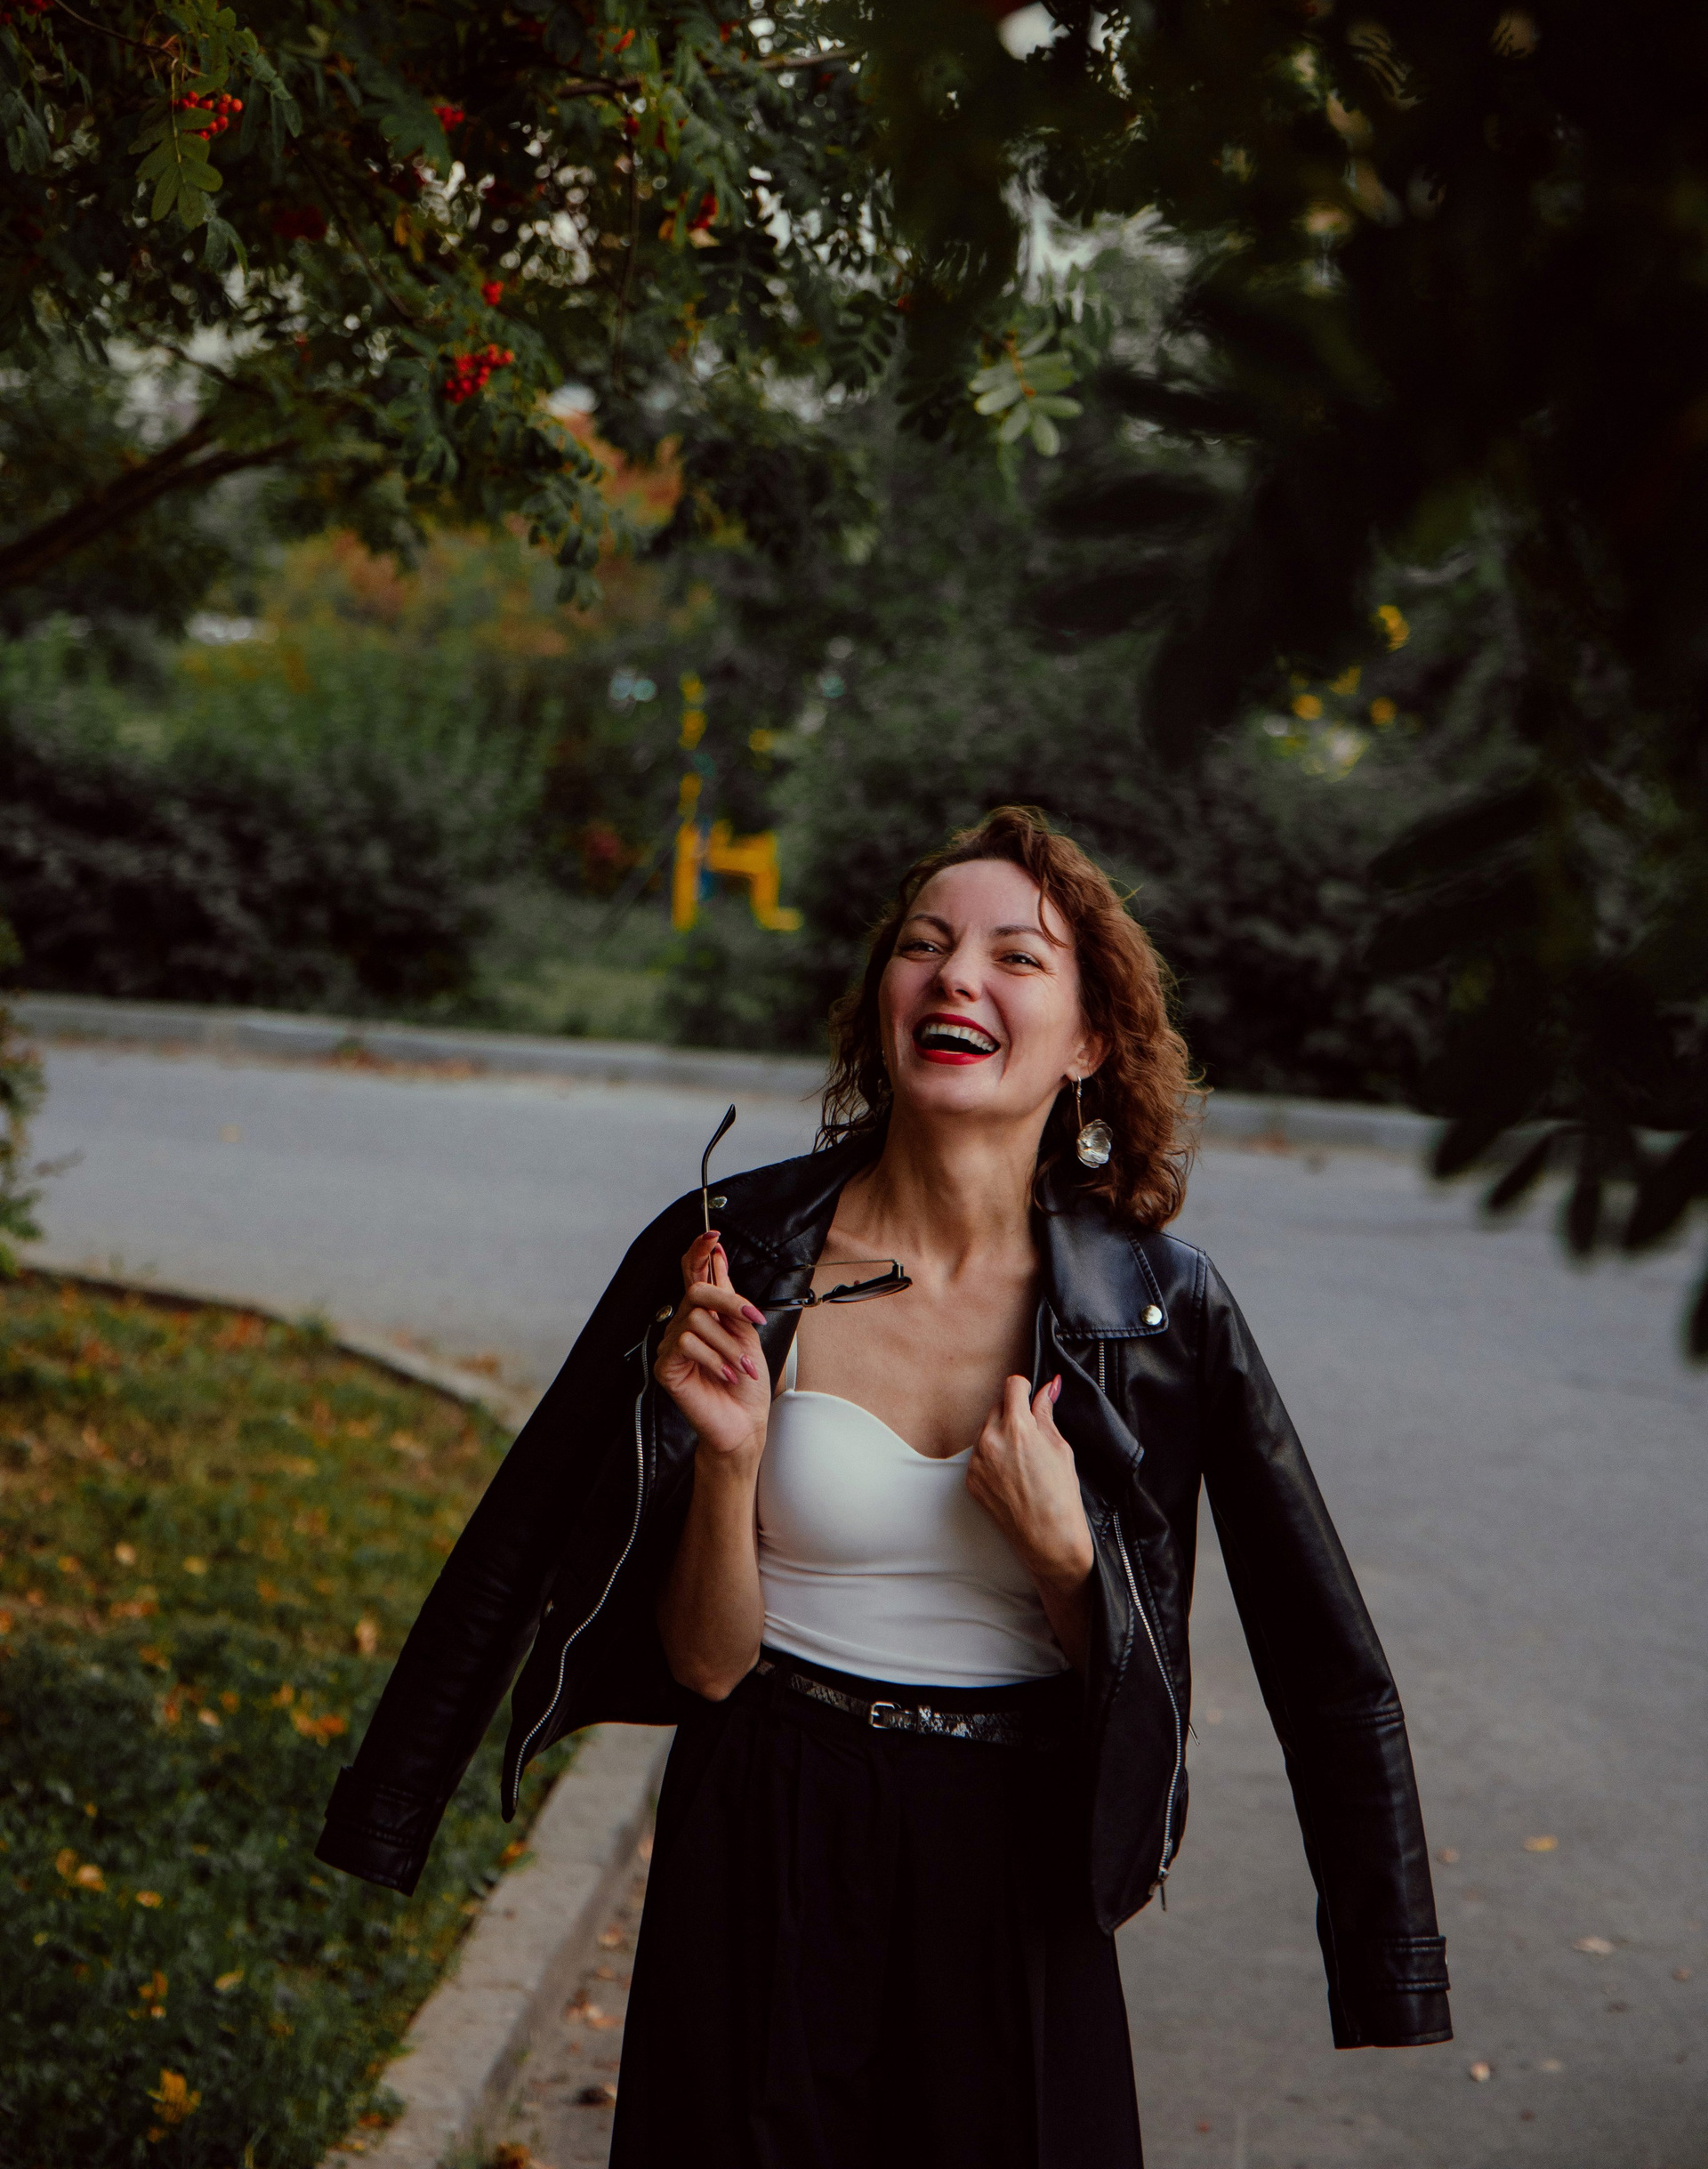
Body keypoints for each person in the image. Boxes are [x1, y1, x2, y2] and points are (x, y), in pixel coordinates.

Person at [317, 805, 1451, 2167]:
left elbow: (1323, 1654)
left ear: (1090, 1042)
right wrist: (730, 1460)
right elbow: (561, 1565)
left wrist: (1068, 1560)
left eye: (1015, 956)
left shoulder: (1160, 1310)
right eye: (924, 945)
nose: (956, 975)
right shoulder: (735, 1253)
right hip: (762, 1818)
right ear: (883, 1000)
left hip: (1018, 1855)